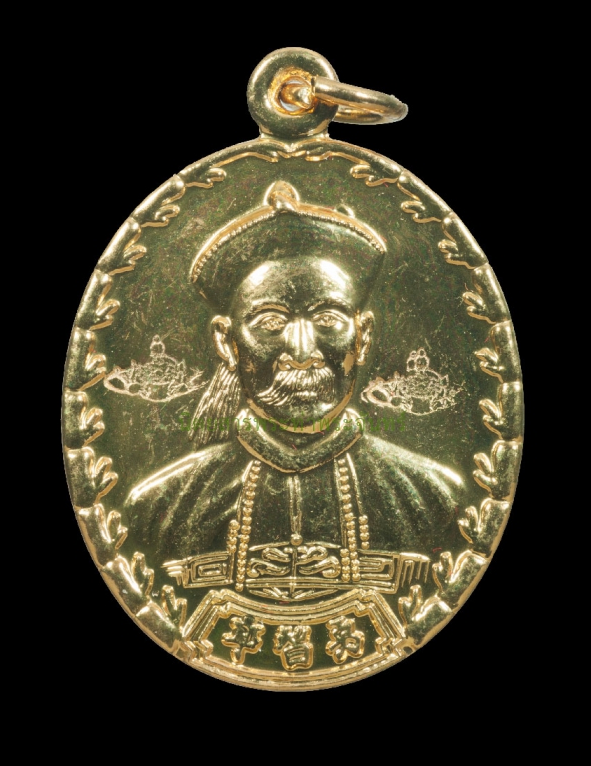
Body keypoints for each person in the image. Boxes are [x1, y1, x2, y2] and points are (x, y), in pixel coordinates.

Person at [125, 182, 464, 602]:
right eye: (270, 322)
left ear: (363, 336)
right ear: (226, 343)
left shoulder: (434, 499)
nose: (302, 353)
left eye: (328, 319)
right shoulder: (160, 509)